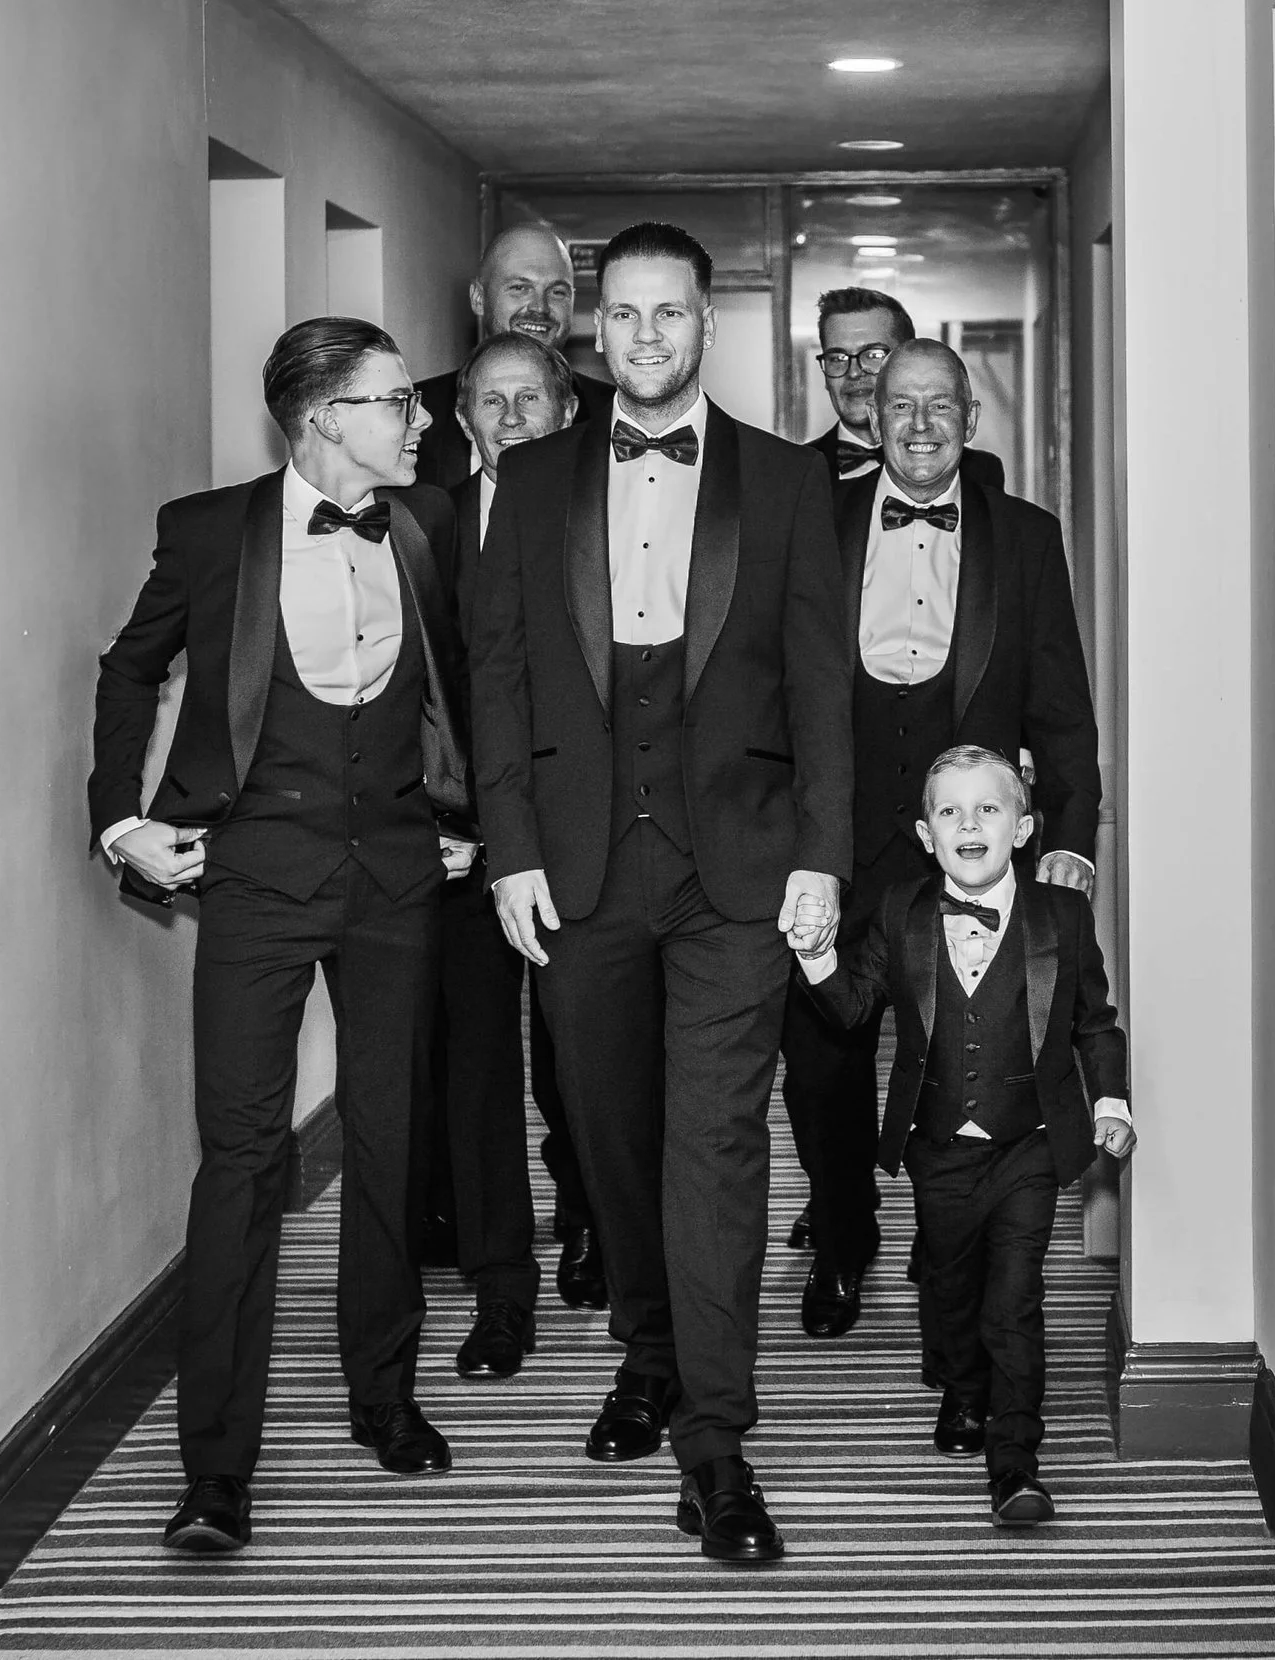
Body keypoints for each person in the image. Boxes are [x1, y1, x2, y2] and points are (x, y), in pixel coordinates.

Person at [471, 221, 851, 1563]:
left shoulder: (790, 483)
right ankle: (646, 1346)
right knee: (608, 1138)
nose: (643, 339)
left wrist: (823, 854)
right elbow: (500, 681)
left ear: (708, 323)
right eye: (621, 318)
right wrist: (510, 847)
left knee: (717, 1146)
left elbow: (821, 686)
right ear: (596, 332)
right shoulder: (529, 482)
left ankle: (717, 1443)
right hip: (576, 873)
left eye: (669, 316)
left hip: (736, 872)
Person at [88, 317, 476, 1556]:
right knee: (243, 1157)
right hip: (252, 875)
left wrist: (473, 818)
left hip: (398, 878)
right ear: (319, 416)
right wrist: (119, 820)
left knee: (389, 1132)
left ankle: (384, 1394)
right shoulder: (208, 530)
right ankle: (214, 1471)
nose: (418, 419)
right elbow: (126, 670)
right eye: (393, 400)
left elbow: (475, 681)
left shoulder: (426, 526)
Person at [779, 337, 1103, 1341]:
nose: (918, 424)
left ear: (970, 420)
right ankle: (841, 1238)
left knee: (968, 1052)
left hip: (971, 845)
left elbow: (1060, 707)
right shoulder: (810, 525)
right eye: (898, 405)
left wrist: (1073, 835)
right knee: (822, 1057)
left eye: (939, 406)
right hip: (835, 835)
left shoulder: (1027, 536)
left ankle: (945, 1232)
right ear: (871, 420)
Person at [790, 745, 1133, 1528]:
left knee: (1014, 1297)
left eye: (988, 809)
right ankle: (962, 1384)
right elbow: (849, 1011)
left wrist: (1109, 1100)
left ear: (1023, 828)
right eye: (950, 811)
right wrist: (815, 960)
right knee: (949, 1281)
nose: (969, 823)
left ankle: (1015, 1463)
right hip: (938, 1141)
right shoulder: (901, 912)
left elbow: (1093, 1023)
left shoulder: (1063, 917)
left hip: (1032, 1141)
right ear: (924, 832)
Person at [421, 333, 603, 1375]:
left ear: (565, 410)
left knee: (582, 1056)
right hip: (453, 850)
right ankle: (504, 1292)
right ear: (463, 420)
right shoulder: (420, 523)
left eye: (529, 397)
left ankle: (592, 1221)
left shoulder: (607, 512)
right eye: (488, 401)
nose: (509, 417)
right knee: (477, 1070)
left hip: (574, 836)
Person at [415, 222, 613, 487]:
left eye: (557, 291)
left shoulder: (612, 414)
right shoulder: (416, 416)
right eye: (520, 288)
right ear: (478, 297)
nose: (540, 307)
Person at [806, 287, 1005, 489]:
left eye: (873, 355)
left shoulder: (979, 471)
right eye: (837, 358)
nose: (854, 372)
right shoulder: (794, 472)